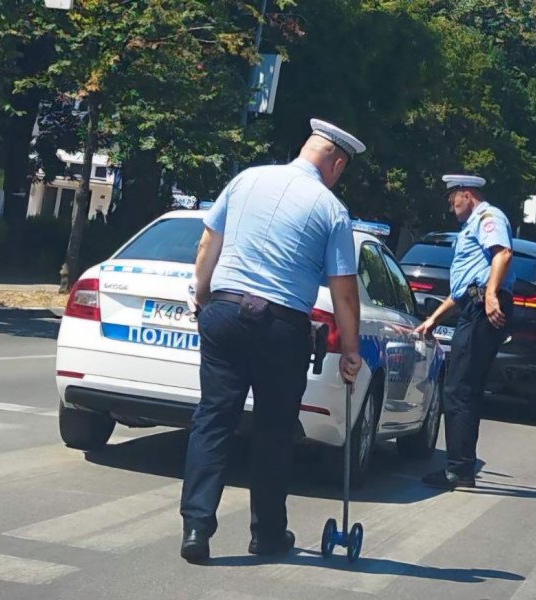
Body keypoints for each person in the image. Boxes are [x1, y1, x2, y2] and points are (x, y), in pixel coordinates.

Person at [178, 119, 366, 564]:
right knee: (274, 430)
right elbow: (344, 290)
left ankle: (196, 528)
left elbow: (208, 243)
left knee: (213, 419)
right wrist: (351, 349)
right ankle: (266, 533)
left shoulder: (246, 179)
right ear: (336, 162)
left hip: (224, 312)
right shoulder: (330, 208)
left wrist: (202, 296)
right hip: (282, 327)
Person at [413, 174, 515, 490]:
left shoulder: (488, 217)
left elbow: (503, 253)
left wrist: (491, 294)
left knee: (459, 389)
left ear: (466, 194)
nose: (451, 207)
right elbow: (462, 290)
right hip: (474, 304)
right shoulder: (471, 227)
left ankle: (459, 470)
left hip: (482, 307)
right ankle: (461, 467)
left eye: (453, 199)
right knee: (461, 387)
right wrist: (434, 319)